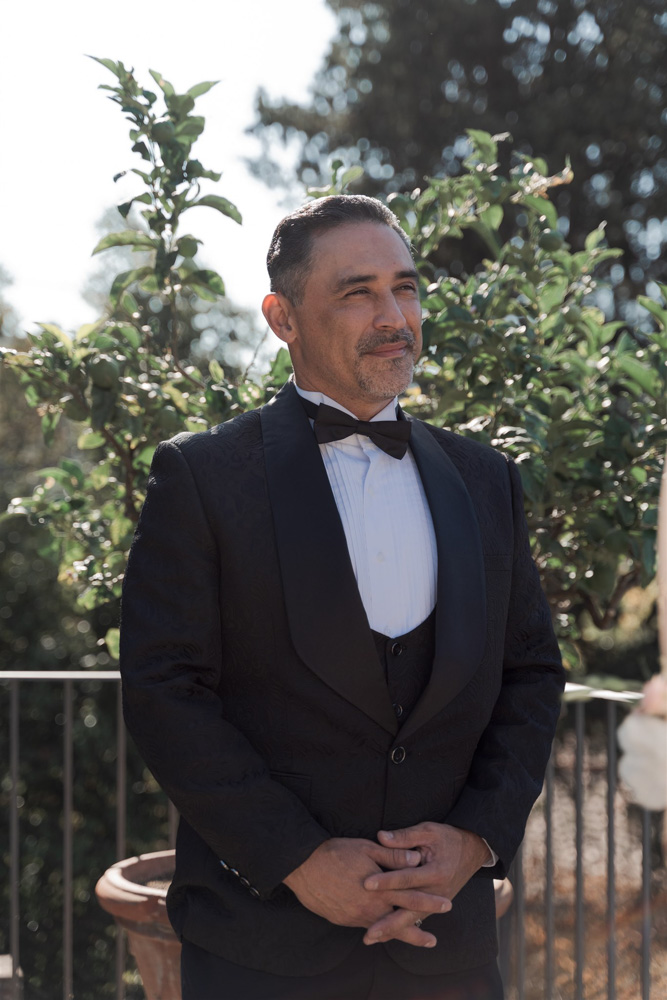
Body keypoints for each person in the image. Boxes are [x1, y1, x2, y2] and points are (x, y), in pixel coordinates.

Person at [120, 194, 565, 999]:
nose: (395, 316)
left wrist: (473, 838)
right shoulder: (203, 477)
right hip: (262, 950)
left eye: (406, 287)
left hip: (445, 947)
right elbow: (166, 693)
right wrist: (295, 859)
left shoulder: (485, 478)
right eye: (357, 292)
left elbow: (529, 673)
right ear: (282, 318)